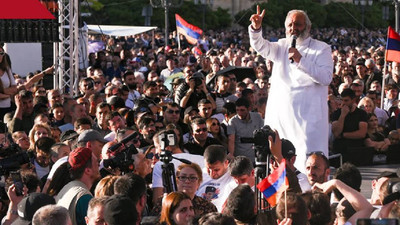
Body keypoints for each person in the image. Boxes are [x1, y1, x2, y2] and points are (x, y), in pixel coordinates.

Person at [249, 7, 333, 173]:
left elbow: (326, 77)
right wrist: (256, 29)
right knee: (277, 163)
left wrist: (300, 60)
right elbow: (260, 46)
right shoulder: (281, 46)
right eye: (290, 25)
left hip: (308, 120)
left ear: (307, 27)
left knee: (308, 165)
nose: (293, 28)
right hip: (282, 118)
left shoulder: (321, 49)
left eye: (298, 24)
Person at [151, 163, 217, 217]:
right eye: (183, 177)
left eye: (192, 178)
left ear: (199, 183)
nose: (187, 181)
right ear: (177, 181)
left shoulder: (207, 207)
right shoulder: (165, 202)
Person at [56, 147, 100, 225]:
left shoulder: (66, 188)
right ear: (88, 170)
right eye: (97, 163)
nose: (99, 165)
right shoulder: (83, 197)